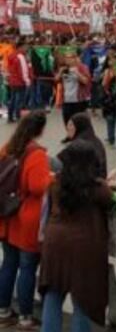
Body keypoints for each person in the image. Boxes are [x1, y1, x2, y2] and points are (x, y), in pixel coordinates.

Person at [39, 140, 114, 332]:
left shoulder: (56, 183)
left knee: (53, 294)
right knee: (83, 300)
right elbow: (109, 202)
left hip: (55, 243)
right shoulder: (98, 188)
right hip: (85, 247)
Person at [0, 112, 51, 329]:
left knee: (8, 264)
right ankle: (25, 316)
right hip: (27, 217)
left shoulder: (7, 148)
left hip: (6, 214)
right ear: (40, 130)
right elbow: (37, 187)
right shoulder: (36, 154)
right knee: (27, 267)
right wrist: (52, 177)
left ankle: (3, 309)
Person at [64, 112, 107, 178]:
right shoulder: (96, 140)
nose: (67, 128)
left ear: (79, 126)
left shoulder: (78, 145)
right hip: (99, 182)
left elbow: (60, 164)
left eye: (71, 125)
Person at [56, 52, 91, 126]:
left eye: (69, 58)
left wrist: (77, 73)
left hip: (78, 100)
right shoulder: (64, 69)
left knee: (78, 124)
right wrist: (60, 72)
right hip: (66, 100)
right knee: (67, 123)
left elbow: (86, 81)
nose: (67, 60)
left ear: (75, 58)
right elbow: (56, 80)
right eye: (66, 58)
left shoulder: (82, 67)